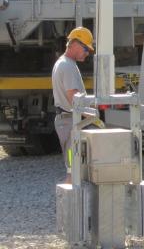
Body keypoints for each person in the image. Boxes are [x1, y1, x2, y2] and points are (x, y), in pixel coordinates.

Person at [52, 27, 94, 183]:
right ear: (75, 44)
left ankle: (71, 193)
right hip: (70, 121)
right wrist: (92, 115)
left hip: (68, 120)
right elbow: (73, 98)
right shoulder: (67, 66)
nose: (87, 53)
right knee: (73, 169)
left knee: (74, 168)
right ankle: (69, 195)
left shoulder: (65, 63)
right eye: (85, 49)